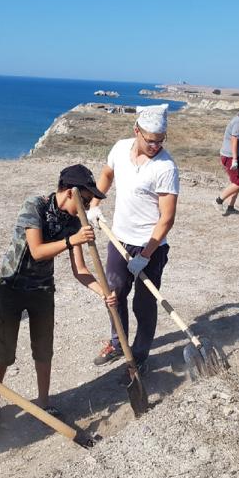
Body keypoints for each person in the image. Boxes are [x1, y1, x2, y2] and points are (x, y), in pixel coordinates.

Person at [0, 164, 117, 427]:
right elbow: (36, 251)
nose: (87, 208)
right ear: (69, 193)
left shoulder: (74, 222)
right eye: (85, 201)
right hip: (12, 285)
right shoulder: (35, 206)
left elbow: (80, 270)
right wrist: (71, 241)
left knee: (44, 349)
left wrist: (103, 292)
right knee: (4, 347)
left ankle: (44, 402)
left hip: (42, 289)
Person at [86, 104, 179, 377]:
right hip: (118, 239)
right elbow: (106, 175)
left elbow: (167, 218)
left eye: (160, 141)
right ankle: (118, 343)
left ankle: (138, 356)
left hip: (150, 246)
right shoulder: (119, 148)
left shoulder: (166, 167)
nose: (155, 146)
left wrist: (145, 256)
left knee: (144, 304)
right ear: (136, 130)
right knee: (114, 295)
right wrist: (94, 204)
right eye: (150, 140)